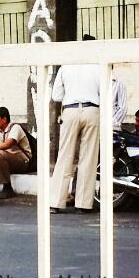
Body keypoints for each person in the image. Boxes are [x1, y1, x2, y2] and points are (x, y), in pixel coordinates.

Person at [50, 34, 101, 214]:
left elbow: (56, 96)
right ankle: (83, 204)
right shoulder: (99, 67)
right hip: (92, 110)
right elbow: (106, 92)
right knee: (88, 158)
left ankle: (56, 202)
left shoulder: (66, 66)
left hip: (70, 111)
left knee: (64, 156)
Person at [0, 107, 32, 199]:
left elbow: (7, 144)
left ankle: (7, 188)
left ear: (4, 119)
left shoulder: (15, 128)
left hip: (22, 162)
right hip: (7, 160)